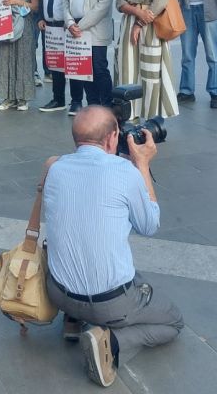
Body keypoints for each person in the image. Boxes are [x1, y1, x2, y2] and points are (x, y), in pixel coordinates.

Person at [43, 106, 184, 388]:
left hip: (57, 294)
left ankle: (73, 321)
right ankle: (111, 342)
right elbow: (149, 225)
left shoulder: (55, 168)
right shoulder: (124, 172)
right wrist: (141, 165)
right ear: (113, 137)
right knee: (173, 323)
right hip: (108, 305)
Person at [115, 0, 179, 120]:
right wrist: (136, 13)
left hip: (152, 26)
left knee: (151, 73)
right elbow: (119, 1)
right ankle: (129, 114)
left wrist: (139, 23)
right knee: (127, 69)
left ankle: (152, 116)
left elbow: (159, 3)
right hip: (129, 23)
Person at [62, 0, 119, 107]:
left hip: (94, 30)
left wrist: (80, 25)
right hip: (75, 29)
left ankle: (107, 107)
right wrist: (70, 22)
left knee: (99, 69)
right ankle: (93, 106)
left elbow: (103, 5)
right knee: (83, 71)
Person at [37, 0, 85, 114]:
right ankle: (58, 99)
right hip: (50, 28)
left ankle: (76, 101)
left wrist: (71, 21)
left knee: (73, 65)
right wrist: (41, 17)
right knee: (56, 66)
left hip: (68, 26)